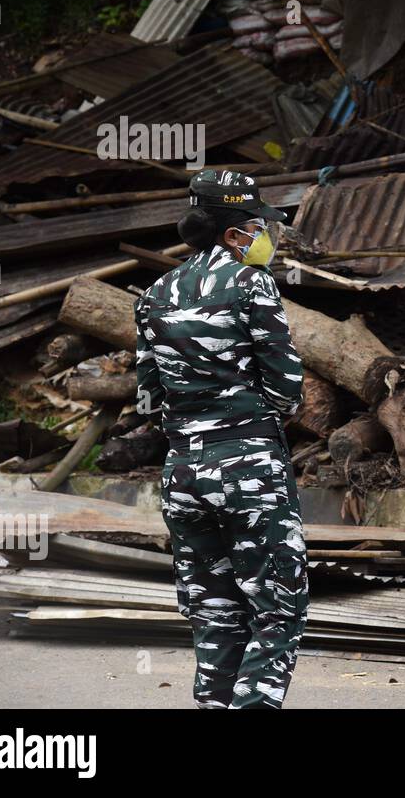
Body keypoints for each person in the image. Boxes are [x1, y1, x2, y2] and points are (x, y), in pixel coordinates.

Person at [135, 169, 306, 709]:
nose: (268, 239)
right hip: (248, 469)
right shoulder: (249, 282)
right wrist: (250, 424)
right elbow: (286, 387)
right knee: (278, 606)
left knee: (214, 612)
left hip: (183, 474)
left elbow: (148, 391)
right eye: (260, 227)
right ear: (235, 234)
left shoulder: (155, 293)